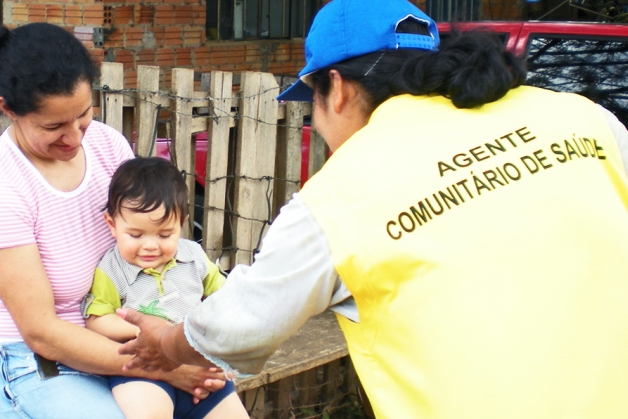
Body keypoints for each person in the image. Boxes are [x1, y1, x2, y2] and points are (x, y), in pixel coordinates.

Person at [118, 0, 628, 418]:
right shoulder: (584, 120)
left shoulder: (341, 195)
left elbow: (240, 325)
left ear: (335, 88)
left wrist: (167, 339)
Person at [0, 23, 233, 418]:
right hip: (47, 362)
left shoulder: (107, 144)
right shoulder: (8, 185)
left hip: (137, 336)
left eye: (82, 115)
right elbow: (42, 332)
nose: (74, 138)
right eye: (54, 126)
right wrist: (167, 366)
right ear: (7, 108)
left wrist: (185, 345)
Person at [83, 157, 248, 419]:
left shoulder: (193, 256)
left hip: (196, 361)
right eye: (135, 235)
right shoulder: (111, 269)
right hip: (144, 372)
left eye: (164, 235)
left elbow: (226, 295)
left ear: (181, 223)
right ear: (112, 225)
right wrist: (152, 332)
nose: (150, 245)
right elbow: (97, 320)